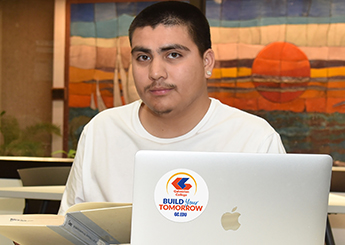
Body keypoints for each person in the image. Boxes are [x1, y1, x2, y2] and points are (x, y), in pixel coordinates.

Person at [58, 1, 285, 215]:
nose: (155, 72)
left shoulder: (254, 140)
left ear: (207, 62)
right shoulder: (102, 131)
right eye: (143, 57)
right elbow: (69, 228)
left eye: (173, 55)